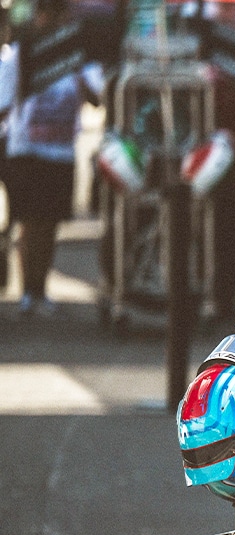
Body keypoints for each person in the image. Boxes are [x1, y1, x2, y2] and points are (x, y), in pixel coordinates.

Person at [0, 0, 103, 317]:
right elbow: (4, 104)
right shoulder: (20, 54)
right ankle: (29, 292)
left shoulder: (75, 57)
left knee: (49, 225)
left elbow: (97, 98)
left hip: (60, 152)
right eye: (47, 14)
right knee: (29, 224)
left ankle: (40, 289)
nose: (52, 21)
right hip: (25, 151)